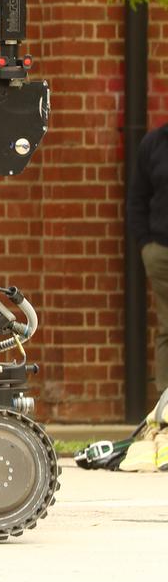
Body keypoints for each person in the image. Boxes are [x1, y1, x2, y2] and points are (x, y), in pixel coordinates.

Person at [129, 126, 168, 395]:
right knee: (167, 327)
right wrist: (146, 245)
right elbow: (137, 200)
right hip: (161, 253)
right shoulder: (154, 143)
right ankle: (166, 408)